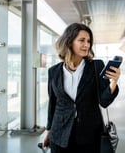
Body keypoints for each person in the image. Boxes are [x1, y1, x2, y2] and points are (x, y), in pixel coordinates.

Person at [42, 23, 120, 153]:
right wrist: (49, 132)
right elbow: (53, 104)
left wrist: (113, 82)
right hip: (59, 135)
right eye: (82, 40)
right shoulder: (53, 72)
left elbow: (104, 102)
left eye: (89, 41)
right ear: (69, 41)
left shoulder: (96, 66)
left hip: (89, 135)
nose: (87, 45)